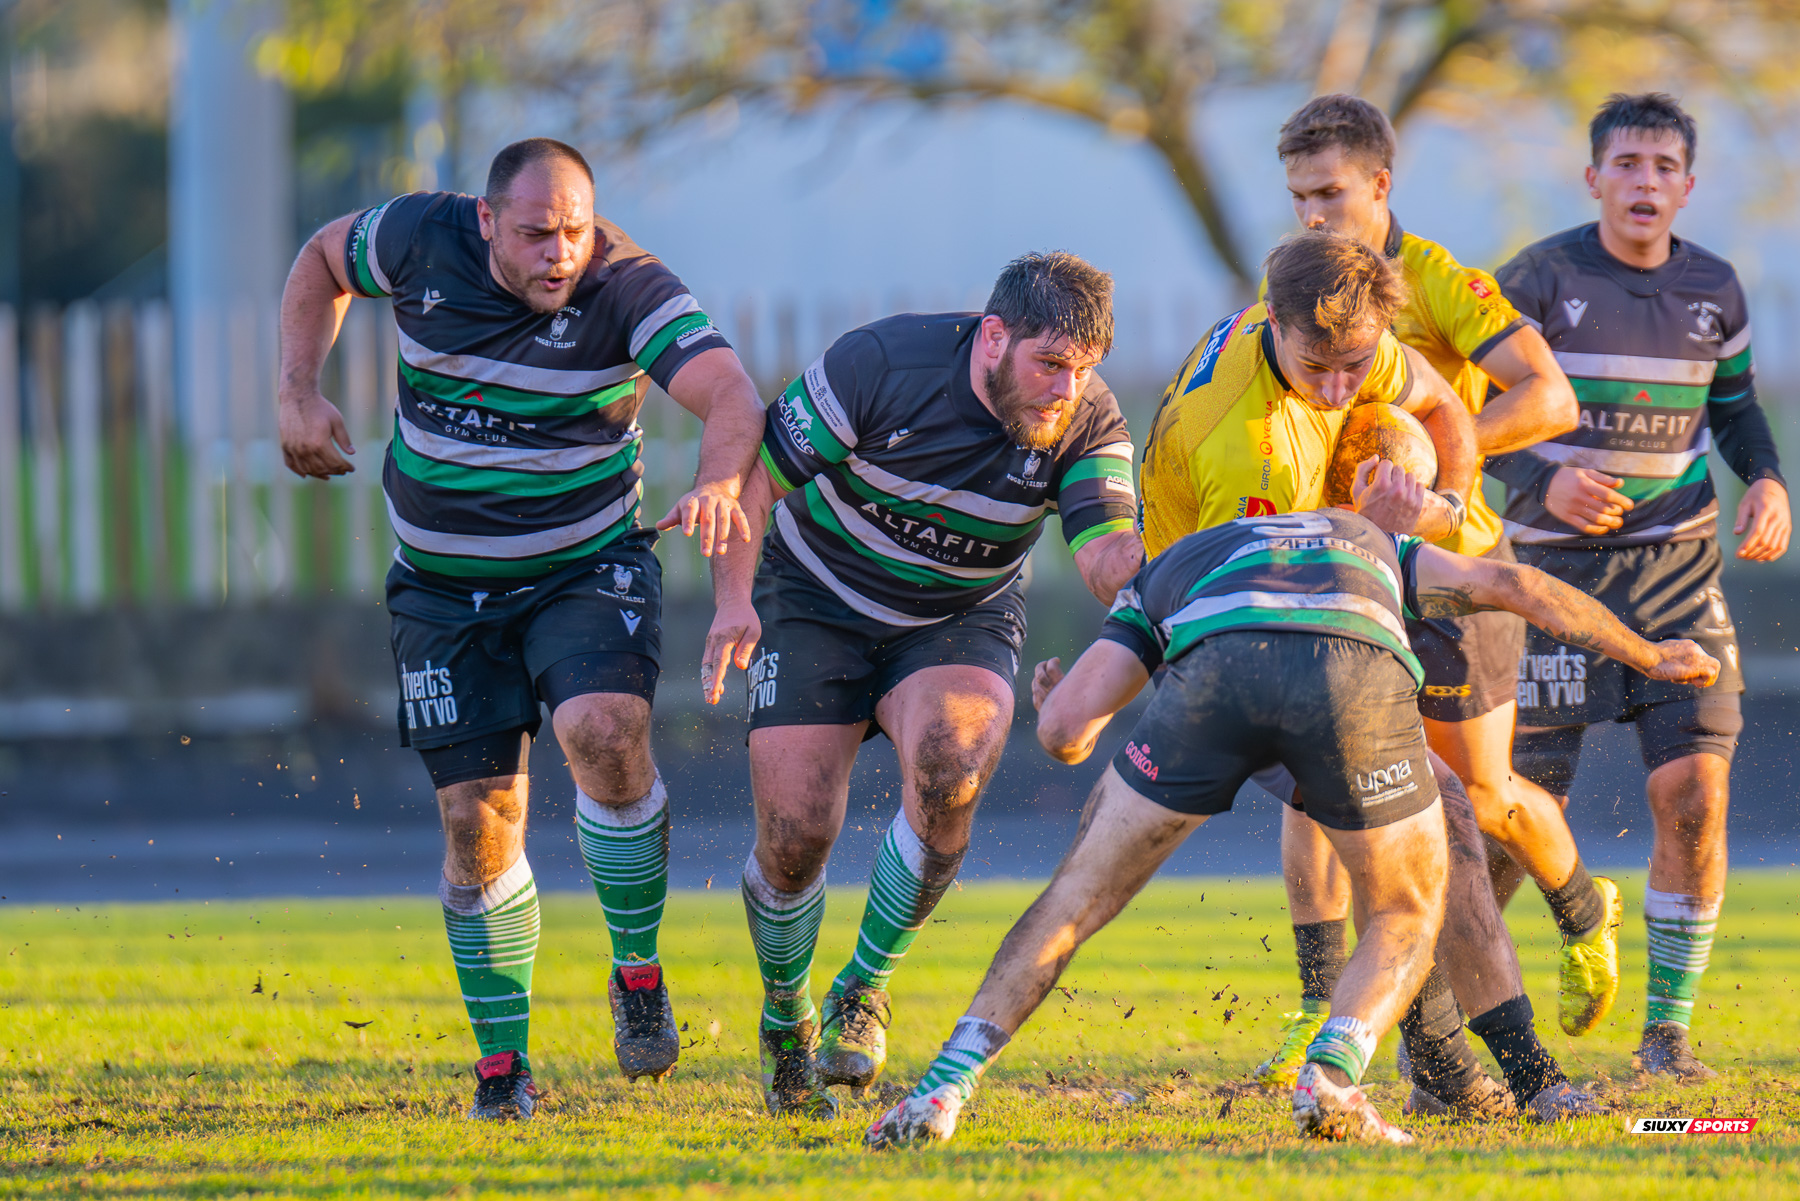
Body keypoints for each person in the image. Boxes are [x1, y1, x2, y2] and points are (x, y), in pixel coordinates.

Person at [865, 488, 1719, 1150]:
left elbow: (1060, 734)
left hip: (1211, 685)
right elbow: (1514, 583)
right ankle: (1336, 1075)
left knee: (1073, 900)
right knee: (1406, 909)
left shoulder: (1173, 563)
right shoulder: (1372, 539)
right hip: (1346, 674)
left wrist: (1064, 712)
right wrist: (1649, 654)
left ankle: (944, 1085)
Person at [276, 138, 765, 1120]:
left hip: (586, 565)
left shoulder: (625, 286)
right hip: (440, 590)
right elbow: (323, 258)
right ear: (487, 221)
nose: (560, 254)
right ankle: (504, 1067)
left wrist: (717, 480)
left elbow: (731, 394)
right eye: (537, 233)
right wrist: (297, 386)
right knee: (476, 822)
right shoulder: (419, 236)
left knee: (605, 735)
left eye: (575, 232)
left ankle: (636, 969)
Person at [1140, 229, 1597, 1120]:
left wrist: (1442, 504)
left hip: (1315, 618)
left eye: (1359, 367)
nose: (1346, 388)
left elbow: (1440, 407)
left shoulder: (1341, 331)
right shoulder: (1244, 446)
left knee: (1434, 823)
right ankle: (1510, 1077)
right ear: (1274, 324)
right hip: (1227, 648)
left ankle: (1463, 1074)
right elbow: (1268, 603)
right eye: (1324, 368)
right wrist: (1384, 534)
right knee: (1425, 820)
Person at [701, 252, 1144, 1118]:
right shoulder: (879, 365)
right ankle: (785, 1016)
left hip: (958, 615)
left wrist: (1169, 564)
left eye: (1083, 368)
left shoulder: (1090, 419)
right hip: (812, 595)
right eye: (1049, 363)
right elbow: (758, 478)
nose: (1066, 388)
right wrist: (730, 602)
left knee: (953, 765)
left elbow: (1104, 555)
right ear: (992, 337)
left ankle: (864, 985)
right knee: (794, 836)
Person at [1258, 94, 1618, 1097]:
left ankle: (1583, 904)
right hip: (1355, 572)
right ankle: (1319, 1000)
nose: (1314, 215)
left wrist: (1434, 450)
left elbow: (1551, 397)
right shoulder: (1289, 284)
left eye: (1331, 192)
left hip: (1455, 574)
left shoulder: (1438, 280)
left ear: (1380, 184)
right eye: (1298, 198)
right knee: (1328, 790)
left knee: (1483, 799)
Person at [1487, 93, 1791, 1081]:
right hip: (1545, 581)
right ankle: (1463, 1031)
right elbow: (1456, 416)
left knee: (1695, 793)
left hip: (1678, 577)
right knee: (1508, 815)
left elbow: (1737, 412)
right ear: (1595, 179)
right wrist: (1543, 478)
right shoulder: (1538, 277)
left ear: (1687, 186)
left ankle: (1667, 1036)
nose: (1646, 182)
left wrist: (1771, 481)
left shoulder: (1718, 289)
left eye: (1665, 166)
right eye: (1628, 164)